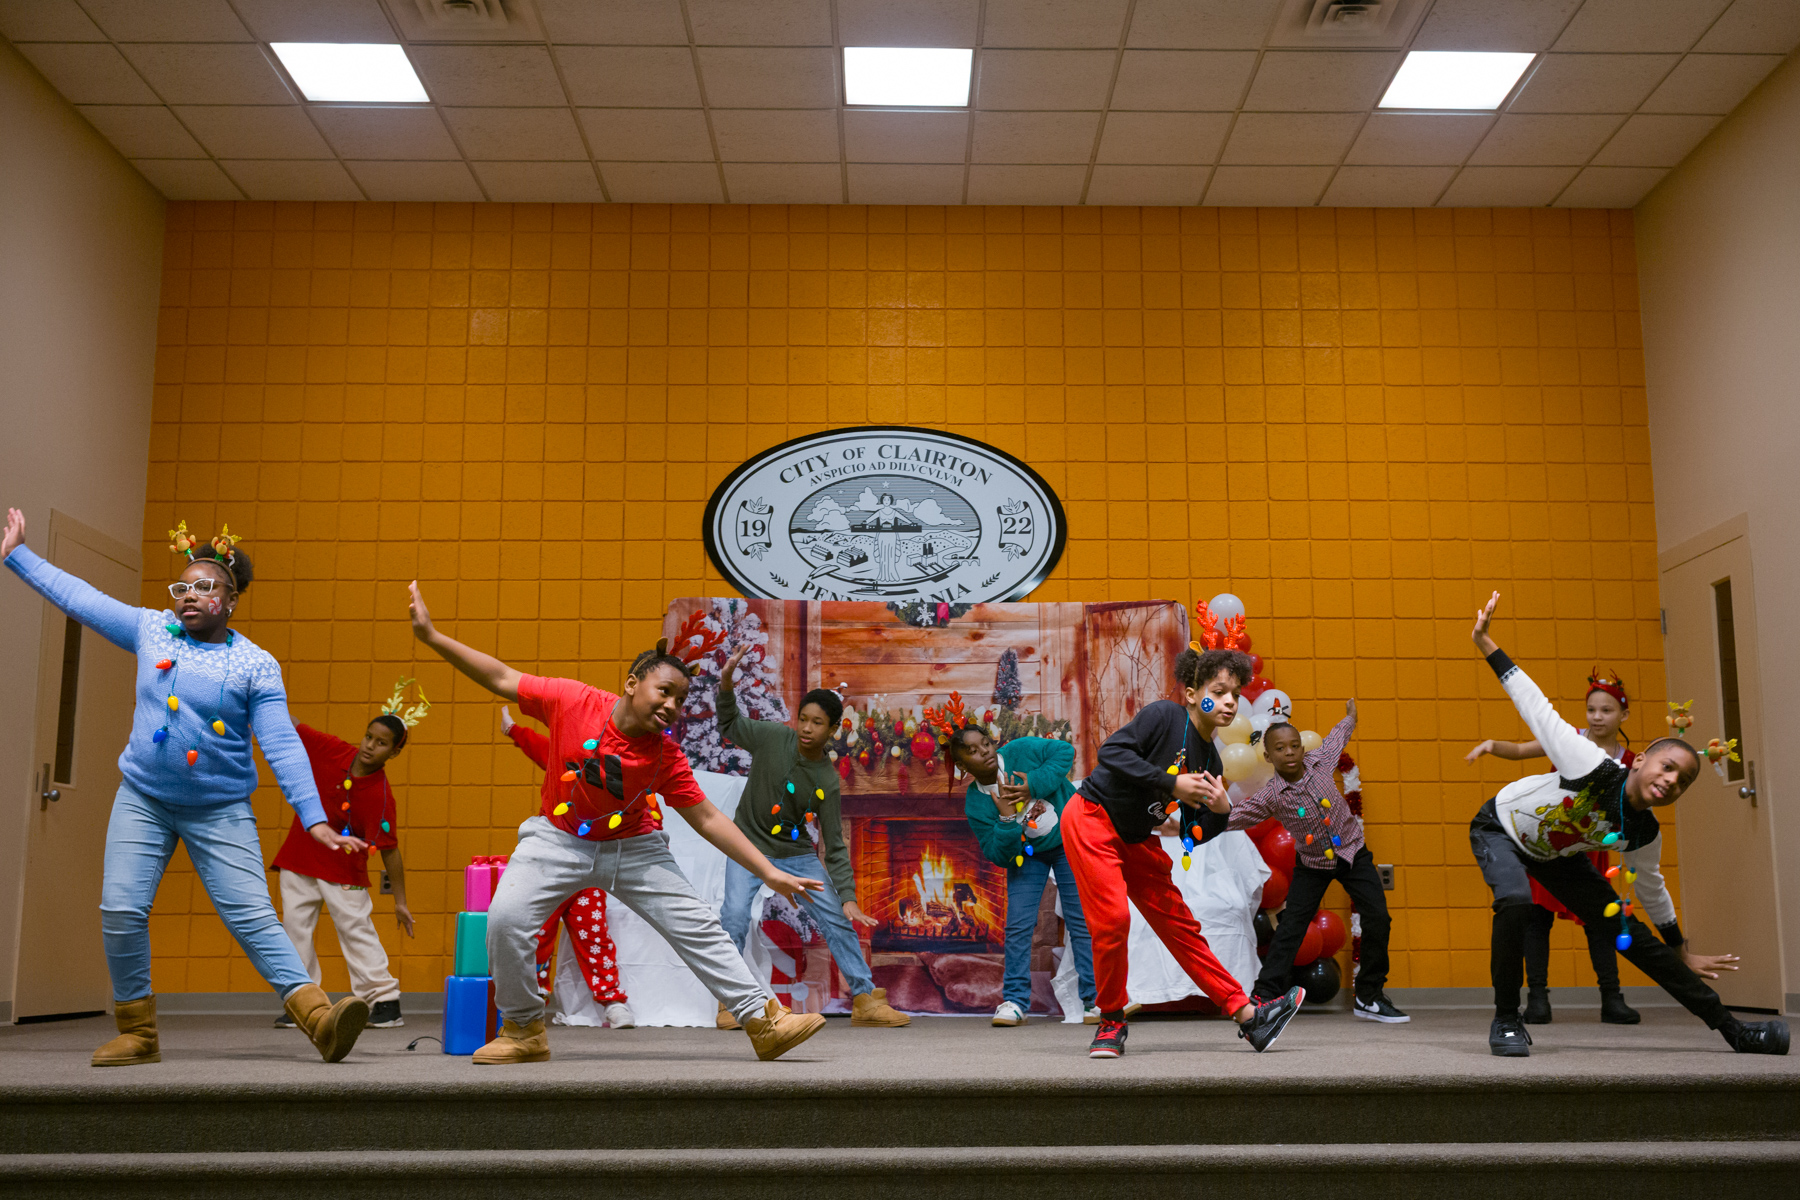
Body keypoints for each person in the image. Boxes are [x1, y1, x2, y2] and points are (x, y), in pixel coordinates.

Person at [1, 509, 369, 1065]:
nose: (189, 596)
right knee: (122, 909)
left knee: (251, 917)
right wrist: (16, 555)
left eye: (205, 588)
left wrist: (314, 818)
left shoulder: (256, 666)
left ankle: (320, 1020)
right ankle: (138, 1032)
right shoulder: (152, 629)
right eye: (183, 587)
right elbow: (82, 598)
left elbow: (282, 744)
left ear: (231, 598)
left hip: (219, 808)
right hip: (143, 799)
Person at [407, 581, 827, 1063]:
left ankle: (763, 1021)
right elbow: (502, 677)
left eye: (680, 700)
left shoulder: (666, 756)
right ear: (632, 683)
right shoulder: (571, 700)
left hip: (634, 847)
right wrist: (433, 638)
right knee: (505, 920)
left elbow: (709, 819)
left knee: (697, 925)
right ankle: (524, 1030)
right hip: (558, 839)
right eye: (664, 691)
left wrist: (768, 870)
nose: (671, 705)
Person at [1466, 591, 1786, 1057]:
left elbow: (1652, 890)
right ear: (1639, 764)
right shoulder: (1589, 763)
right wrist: (1485, 642)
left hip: (1557, 856)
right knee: (1515, 901)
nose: (1671, 780)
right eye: (1667, 768)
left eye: (1683, 780)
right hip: (1500, 827)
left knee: (1631, 935)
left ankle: (1732, 1029)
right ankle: (1506, 1019)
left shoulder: (1643, 831)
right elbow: (1535, 706)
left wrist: (1679, 948)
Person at [1060, 645, 1306, 1058]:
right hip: (1090, 817)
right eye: (1220, 691)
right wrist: (1171, 784)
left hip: (1136, 837)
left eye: (1235, 694)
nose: (1229, 702)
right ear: (1193, 694)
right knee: (1114, 919)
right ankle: (1111, 1021)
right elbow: (1112, 753)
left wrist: (1222, 811)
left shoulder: (1211, 761)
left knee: (1181, 926)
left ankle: (1248, 1017)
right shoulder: (1164, 716)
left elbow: (1194, 832)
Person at [713, 645, 909, 1029]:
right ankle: (730, 1003)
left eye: (817, 723)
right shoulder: (771, 738)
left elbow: (834, 845)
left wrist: (848, 899)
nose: (806, 728)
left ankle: (865, 999)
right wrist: (725, 684)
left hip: (795, 854)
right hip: (747, 847)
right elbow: (730, 723)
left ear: (833, 730)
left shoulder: (827, 781)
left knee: (836, 919)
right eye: (803, 719)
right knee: (734, 916)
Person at [1467, 670, 1642, 1025]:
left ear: (1623, 715)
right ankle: (1537, 997)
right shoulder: (1571, 740)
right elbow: (1518, 750)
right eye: (1592, 709)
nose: (1597, 717)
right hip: (1550, 840)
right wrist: (1491, 745)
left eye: (1606, 711)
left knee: (1602, 921)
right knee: (1536, 918)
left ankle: (1612, 996)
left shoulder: (1630, 761)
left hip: (1590, 848)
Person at [1226, 702, 1406, 1023]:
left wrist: (1351, 716)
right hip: (1312, 865)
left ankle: (1369, 996)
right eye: (1280, 749)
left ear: (1302, 747)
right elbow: (1236, 816)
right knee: (1291, 929)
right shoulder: (1272, 796)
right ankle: (1264, 997)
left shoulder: (1320, 761)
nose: (1290, 753)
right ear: (1269, 757)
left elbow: (1338, 735)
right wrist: (1196, 822)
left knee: (1379, 917)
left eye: (1294, 746)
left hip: (1353, 854)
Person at [271, 688, 422, 1030]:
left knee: (355, 930)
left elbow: (390, 850)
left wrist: (400, 901)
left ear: (394, 753)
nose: (370, 746)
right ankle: (303, 1000)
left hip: (343, 871)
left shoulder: (381, 795)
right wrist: (263, 700)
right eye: (369, 737)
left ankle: (384, 1001)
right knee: (295, 930)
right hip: (300, 857)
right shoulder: (331, 748)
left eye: (381, 743)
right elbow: (294, 725)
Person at [948, 724, 1099, 1026]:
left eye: (986, 744)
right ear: (962, 766)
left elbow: (1064, 751)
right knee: (1018, 924)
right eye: (973, 752)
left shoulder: (1019, 751)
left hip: (1069, 837)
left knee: (1080, 920)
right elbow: (997, 854)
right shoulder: (976, 802)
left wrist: (1034, 786)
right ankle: (1015, 1001)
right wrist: (1005, 818)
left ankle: (1093, 1001)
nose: (985, 753)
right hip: (1026, 855)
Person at [503, 706, 634, 1030]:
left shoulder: (619, 771)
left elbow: (643, 804)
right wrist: (513, 731)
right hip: (548, 866)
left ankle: (613, 1001)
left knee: (593, 934)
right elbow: (541, 747)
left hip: (590, 867)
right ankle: (532, 1002)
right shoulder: (566, 759)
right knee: (536, 931)